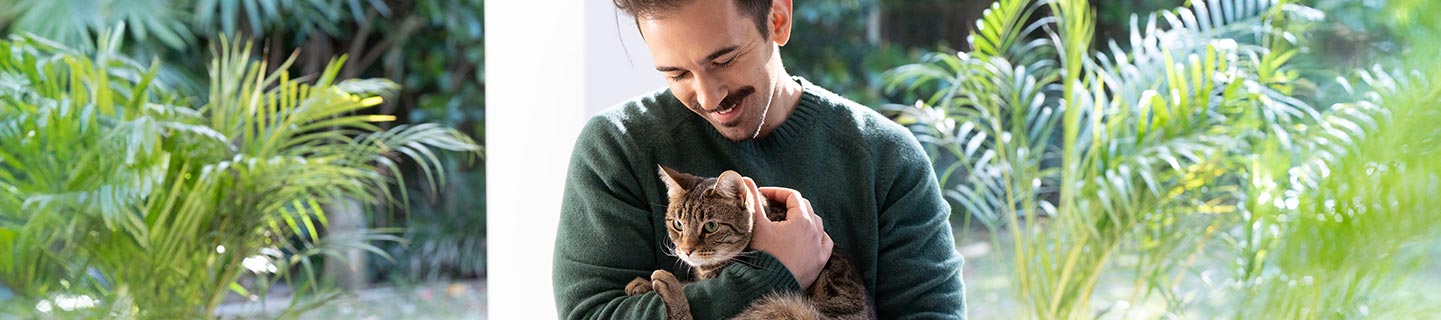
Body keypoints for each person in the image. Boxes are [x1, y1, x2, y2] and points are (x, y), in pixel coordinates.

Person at [553, 0, 966, 318]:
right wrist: (773, 270)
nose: (709, 97)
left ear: (778, 19)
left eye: (724, 60)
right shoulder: (616, 147)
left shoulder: (888, 158)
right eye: (676, 74)